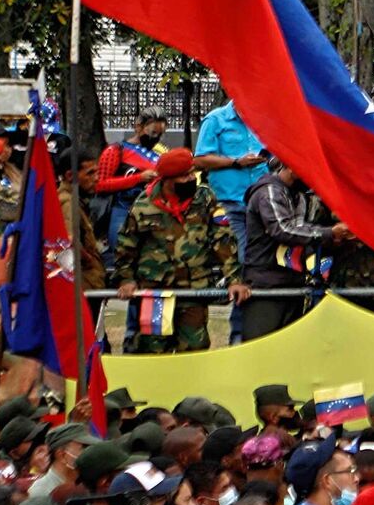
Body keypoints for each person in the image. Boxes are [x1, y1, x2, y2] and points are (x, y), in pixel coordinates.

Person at [114, 147, 248, 352]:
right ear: (167, 180)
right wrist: (126, 279)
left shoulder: (204, 198)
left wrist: (234, 280)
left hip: (194, 290)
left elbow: (222, 239)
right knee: (153, 350)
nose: (191, 179)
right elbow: (127, 245)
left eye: (191, 173)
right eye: (184, 176)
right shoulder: (144, 205)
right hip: (156, 292)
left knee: (194, 349)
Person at [238, 157, 345, 342]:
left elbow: (306, 230)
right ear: (292, 168)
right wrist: (328, 233)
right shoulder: (269, 192)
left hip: (292, 282)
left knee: (288, 351)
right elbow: (282, 229)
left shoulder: (298, 195)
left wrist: (333, 237)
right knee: (261, 351)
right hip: (265, 284)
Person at [192, 96, 267, 259]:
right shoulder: (215, 120)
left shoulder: (263, 120)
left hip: (261, 201)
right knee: (238, 254)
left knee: (261, 256)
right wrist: (236, 162)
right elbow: (199, 159)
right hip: (229, 201)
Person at [97, 113, 169, 259]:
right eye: (153, 132)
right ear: (138, 127)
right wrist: (138, 178)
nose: (156, 138)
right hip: (122, 211)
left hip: (152, 213)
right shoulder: (117, 151)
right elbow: (100, 184)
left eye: (160, 134)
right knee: (119, 256)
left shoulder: (158, 155)